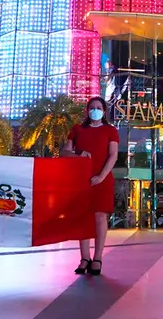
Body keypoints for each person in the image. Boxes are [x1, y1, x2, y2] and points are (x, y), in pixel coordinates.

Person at [63, 96, 119, 277]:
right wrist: (78, 152)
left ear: (104, 111)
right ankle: (84, 258)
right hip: (81, 180)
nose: (95, 110)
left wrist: (101, 176)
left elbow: (113, 156)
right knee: (83, 217)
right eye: (92, 107)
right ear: (87, 110)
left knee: (100, 217)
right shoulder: (77, 129)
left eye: (99, 107)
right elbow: (65, 152)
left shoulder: (110, 130)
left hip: (102, 179)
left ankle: (98, 258)